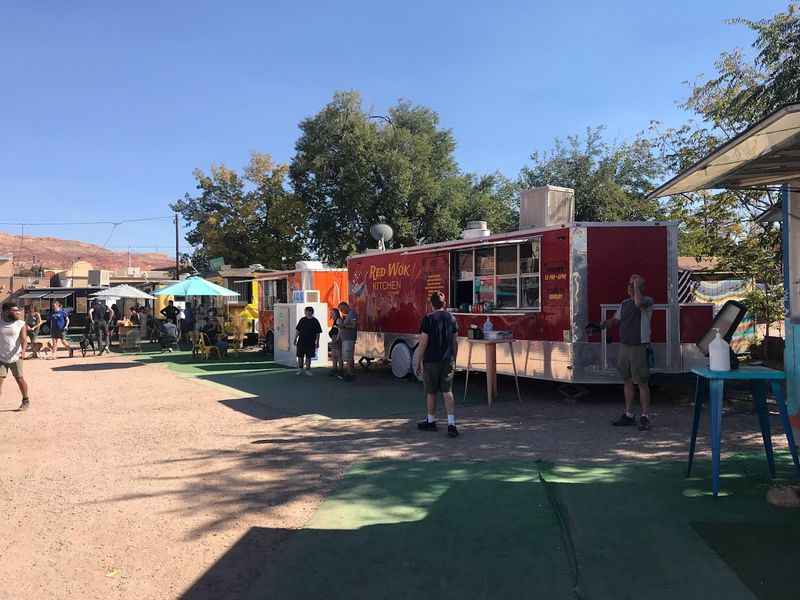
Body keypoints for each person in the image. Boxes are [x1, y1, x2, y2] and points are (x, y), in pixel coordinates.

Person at [600, 274, 654, 431]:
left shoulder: (647, 301)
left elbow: (638, 302)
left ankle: (645, 417)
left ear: (639, 287)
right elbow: (616, 321)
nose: (629, 287)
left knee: (642, 382)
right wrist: (603, 325)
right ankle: (629, 415)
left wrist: (636, 284)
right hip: (625, 346)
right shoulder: (624, 304)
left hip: (639, 346)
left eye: (632, 285)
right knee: (627, 380)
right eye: (630, 284)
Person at [413, 292, 459, 438]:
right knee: (447, 391)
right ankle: (451, 424)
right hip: (447, 360)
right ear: (444, 303)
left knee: (431, 392)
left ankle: (431, 421)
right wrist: (454, 358)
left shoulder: (428, 319)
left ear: (431, 304)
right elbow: (454, 341)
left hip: (431, 361)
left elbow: (423, 342)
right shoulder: (451, 318)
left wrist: (418, 360)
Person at [0, 302, 30, 411]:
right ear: (6, 311)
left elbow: (24, 340)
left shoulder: (20, 324)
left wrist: (23, 351)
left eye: (19, 310)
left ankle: (25, 400)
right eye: (15, 310)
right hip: (1, 358)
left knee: (19, 379)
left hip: (15, 357)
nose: (18, 312)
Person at [294, 306, 322, 376]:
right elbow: (298, 330)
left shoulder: (315, 321)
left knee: (308, 357)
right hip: (301, 341)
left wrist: (317, 342)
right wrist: (295, 339)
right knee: (300, 356)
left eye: (308, 311)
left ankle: (308, 370)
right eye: (306, 311)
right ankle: (300, 369)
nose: (306, 313)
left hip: (311, 342)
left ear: (311, 312)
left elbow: (318, 332)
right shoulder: (302, 320)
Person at [338, 301, 358, 381]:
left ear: (345, 306)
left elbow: (354, 325)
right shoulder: (348, 314)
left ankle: (350, 374)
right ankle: (349, 373)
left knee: (349, 357)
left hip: (349, 338)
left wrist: (343, 325)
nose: (342, 311)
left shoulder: (351, 313)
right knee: (348, 357)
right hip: (346, 338)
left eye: (342, 309)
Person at [328, 308, 343, 378]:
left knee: (339, 355)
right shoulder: (334, 321)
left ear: (337, 314)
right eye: (331, 313)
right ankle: (334, 369)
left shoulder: (338, 320)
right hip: (334, 339)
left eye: (333, 313)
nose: (332, 314)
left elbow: (340, 330)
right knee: (334, 355)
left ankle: (340, 370)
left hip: (337, 339)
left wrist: (337, 338)